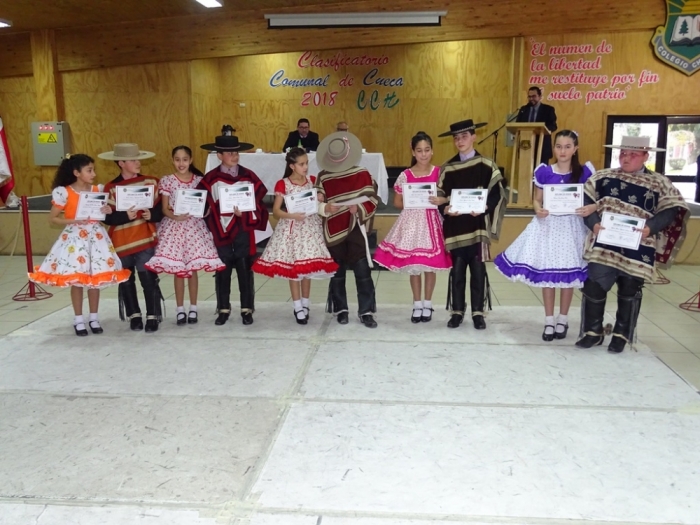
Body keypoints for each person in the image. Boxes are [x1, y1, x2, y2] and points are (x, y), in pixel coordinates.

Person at [576, 136, 689, 353]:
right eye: (623, 153)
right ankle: (592, 332)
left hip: (639, 245)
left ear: (646, 156)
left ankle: (621, 335)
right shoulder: (602, 177)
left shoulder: (660, 183)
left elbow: (671, 209)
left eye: (633, 154)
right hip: (604, 245)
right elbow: (586, 201)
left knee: (630, 288)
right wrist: (594, 224)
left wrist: (650, 228)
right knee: (593, 286)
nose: (626, 158)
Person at [493, 130, 596, 340]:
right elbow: (537, 199)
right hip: (549, 226)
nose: (563, 151)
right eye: (559, 147)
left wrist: (591, 208)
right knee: (548, 274)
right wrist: (538, 209)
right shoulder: (544, 172)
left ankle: (563, 319)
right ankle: (549, 320)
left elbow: (596, 199)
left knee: (568, 274)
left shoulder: (584, 172)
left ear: (575, 149)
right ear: (554, 148)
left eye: (567, 147)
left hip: (572, 228)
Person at [29, 154, 130, 336]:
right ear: (77, 173)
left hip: (96, 238)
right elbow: (53, 218)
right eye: (89, 170)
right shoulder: (65, 192)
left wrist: (107, 210)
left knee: (95, 280)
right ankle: (78, 319)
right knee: (77, 280)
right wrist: (74, 220)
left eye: (93, 170)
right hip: (75, 239)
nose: (93, 174)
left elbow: (103, 214)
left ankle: (94, 318)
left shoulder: (97, 190)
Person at [434, 119, 507, 330]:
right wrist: (444, 208)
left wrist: (485, 207)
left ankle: (478, 312)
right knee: (457, 271)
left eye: (464, 136)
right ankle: (457, 311)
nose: (460, 141)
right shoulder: (448, 168)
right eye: (456, 138)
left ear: (474, 137)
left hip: (477, 227)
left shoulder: (486, 165)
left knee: (477, 271)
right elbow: (440, 195)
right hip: (456, 228)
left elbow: (497, 193)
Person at [252, 147, 338, 323]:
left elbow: (317, 204)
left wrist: (320, 199)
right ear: (292, 166)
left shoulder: (312, 181)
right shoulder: (283, 184)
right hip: (292, 229)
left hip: (310, 229)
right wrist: (292, 215)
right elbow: (276, 211)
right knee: (294, 270)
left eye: (306, 163)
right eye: (301, 164)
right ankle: (297, 305)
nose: (305, 167)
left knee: (307, 268)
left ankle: (306, 303)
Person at [374, 131, 452, 322]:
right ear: (413, 152)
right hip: (411, 222)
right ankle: (417, 304)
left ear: (432, 151)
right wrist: (412, 200)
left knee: (430, 265)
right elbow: (397, 202)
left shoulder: (439, 173)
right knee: (414, 265)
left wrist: (439, 200)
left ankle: (428, 303)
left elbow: (447, 195)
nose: (423, 154)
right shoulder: (406, 175)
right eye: (419, 151)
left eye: (426, 150)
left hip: (431, 221)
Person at [145, 146, 225, 326]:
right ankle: (180, 308)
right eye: (177, 159)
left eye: (185, 159)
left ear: (191, 160)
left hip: (194, 227)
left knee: (192, 269)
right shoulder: (167, 181)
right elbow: (164, 208)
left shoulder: (199, 180)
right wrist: (175, 216)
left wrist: (205, 211)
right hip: (174, 227)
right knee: (179, 270)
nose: (181, 163)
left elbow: (206, 204)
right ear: (172, 160)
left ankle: (193, 307)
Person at [197, 134, 269, 326]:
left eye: (236, 153)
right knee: (223, 268)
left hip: (242, 227)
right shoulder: (211, 178)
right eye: (229, 153)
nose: (234, 156)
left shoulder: (248, 176)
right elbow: (201, 203)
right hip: (220, 229)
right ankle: (223, 309)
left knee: (245, 267)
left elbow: (259, 202)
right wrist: (208, 210)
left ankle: (247, 308)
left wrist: (244, 213)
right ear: (219, 155)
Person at [315, 131, 379, 328]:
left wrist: (358, 208)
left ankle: (366, 311)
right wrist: (325, 207)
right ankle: (341, 309)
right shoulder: (323, 177)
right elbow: (316, 203)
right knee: (337, 271)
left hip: (354, 227)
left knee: (362, 270)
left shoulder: (361, 173)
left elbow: (372, 199)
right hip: (333, 227)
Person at [101, 143, 165, 333]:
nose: (138, 163)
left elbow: (161, 209)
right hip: (121, 242)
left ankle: (152, 315)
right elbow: (107, 217)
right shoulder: (111, 188)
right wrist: (124, 216)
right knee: (126, 279)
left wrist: (151, 215)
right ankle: (134, 315)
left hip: (144, 238)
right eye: (133, 160)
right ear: (121, 163)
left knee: (148, 277)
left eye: (139, 159)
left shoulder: (151, 182)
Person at [515, 86, 558, 164]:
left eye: (534, 96)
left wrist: (541, 130)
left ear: (540, 96)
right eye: (529, 96)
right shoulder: (523, 109)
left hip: (542, 147)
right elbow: (517, 125)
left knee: (541, 171)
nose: (531, 99)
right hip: (525, 146)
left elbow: (553, 126)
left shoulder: (548, 110)